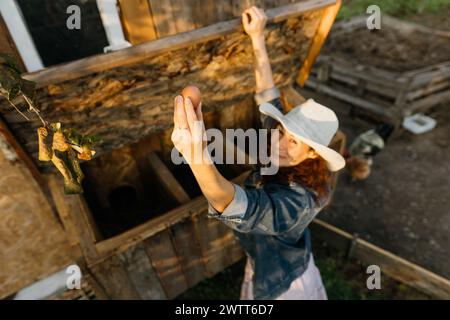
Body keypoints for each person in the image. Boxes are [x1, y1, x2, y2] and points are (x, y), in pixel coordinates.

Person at [171, 6, 346, 300]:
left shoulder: (300, 200)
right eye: (281, 132)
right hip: (264, 260)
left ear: (313, 154)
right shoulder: (284, 152)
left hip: (285, 284)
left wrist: (196, 154)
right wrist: (257, 37)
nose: (278, 143)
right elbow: (268, 93)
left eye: (293, 142)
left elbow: (238, 206)